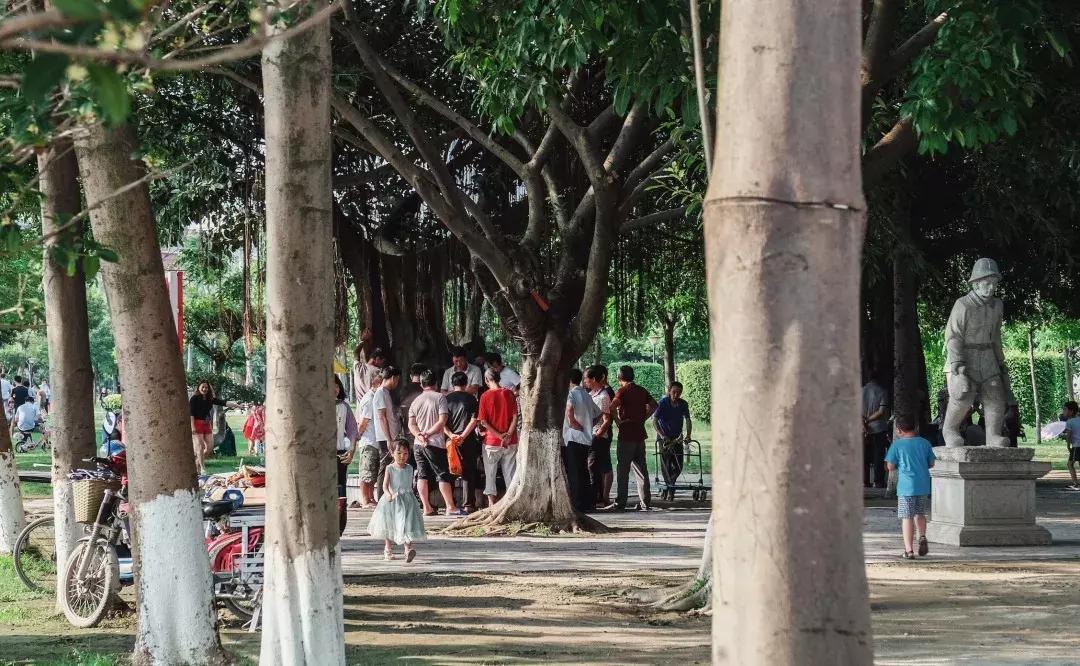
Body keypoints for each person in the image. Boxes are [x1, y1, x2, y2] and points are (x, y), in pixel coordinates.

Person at [409, 369, 464, 517]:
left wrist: (419, 435)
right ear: (436, 383)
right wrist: (428, 433)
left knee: (422, 475)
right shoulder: (440, 398)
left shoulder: (416, 400)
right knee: (442, 475)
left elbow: (411, 424)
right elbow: (442, 421)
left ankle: (427, 507)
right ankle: (450, 506)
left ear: (421, 384)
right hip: (434, 443)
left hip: (418, 444)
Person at [605, 366, 658, 511]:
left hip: (626, 434)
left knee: (623, 470)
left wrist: (618, 421)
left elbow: (612, 406)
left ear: (619, 377)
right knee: (642, 470)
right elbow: (654, 405)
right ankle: (645, 502)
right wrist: (643, 418)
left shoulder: (622, 391)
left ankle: (620, 502)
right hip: (640, 434)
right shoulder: (642, 390)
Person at [885, 415, 936, 559]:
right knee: (920, 513)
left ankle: (909, 550)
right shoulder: (925, 443)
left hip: (906, 487)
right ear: (916, 427)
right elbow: (932, 463)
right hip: (923, 485)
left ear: (899, 430)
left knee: (907, 517)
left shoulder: (897, 445)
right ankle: (922, 536)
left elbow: (890, 466)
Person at [367, 440, 426, 562]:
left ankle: (408, 550)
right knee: (389, 525)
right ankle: (388, 550)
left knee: (407, 523)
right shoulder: (390, 468)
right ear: (392, 453)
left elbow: (409, 485)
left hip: (407, 500)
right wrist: (389, 494)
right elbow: (384, 485)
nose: (402, 456)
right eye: (399, 453)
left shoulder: (409, 468)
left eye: (405, 453)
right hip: (393, 500)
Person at [477, 367, 518, 507]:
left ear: (486, 380)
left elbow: (483, 421)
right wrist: (508, 435)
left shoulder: (485, 396)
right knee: (510, 473)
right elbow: (515, 417)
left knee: (490, 473)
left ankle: (491, 504)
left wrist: (499, 436)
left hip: (491, 442)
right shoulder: (510, 394)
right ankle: (511, 502)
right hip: (511, 441)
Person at [444, 371, 482, 512]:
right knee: (468, 471)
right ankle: (468, 505)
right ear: (466, 384)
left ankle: (451, 504)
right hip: (468, 440)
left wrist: (451, 435)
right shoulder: (472, 399)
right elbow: (474, 420)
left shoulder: (446, 399)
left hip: (450, 440)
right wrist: (463, 436)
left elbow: (442, 421)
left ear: (452, 384)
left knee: (451, 469)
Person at [563, 368, 600, 513]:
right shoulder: (586, 394)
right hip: (585, 438)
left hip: (573, 437)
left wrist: (573, 422)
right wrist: (588, 423)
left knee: (574, 472)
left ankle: (576, 504)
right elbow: (599, 412)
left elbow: (569, 408)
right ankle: (586, 503)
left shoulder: (571, 393)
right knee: (583, 471)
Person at [189, 381, 239, 475]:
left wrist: (237, 405)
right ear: (199, 388)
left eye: (206, 387)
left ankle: (196, 464)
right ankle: (202, 468)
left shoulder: (210, 399)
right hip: (196, 424)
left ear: (208, 389)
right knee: (200, 447)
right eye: (202, 387)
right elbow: (191, 414)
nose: (204, 389)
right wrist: (192, 427)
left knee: (209, 448)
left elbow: (223, 402)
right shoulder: (194, 399)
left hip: (207, 425)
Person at [653, 382, 693, 491]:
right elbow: (655, 421)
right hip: (664, 438)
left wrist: (688, 435)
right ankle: (670, 488)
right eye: (674, 392)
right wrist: (662, 435)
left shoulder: (683, 404)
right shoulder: (662, 403)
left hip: (677, 438)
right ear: (669, 391)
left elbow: (688, 420)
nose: (676, 395)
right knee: (666, 464)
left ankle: (671, 484)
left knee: (679, 465)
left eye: (679, 393)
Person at [585, 365, 615, 507]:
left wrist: (598, 434)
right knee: (592, 467)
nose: (585, 382)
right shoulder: (591, 395)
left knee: (593, 467)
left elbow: (607, 419)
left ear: (594, 379)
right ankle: (595, 496)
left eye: (587, 379)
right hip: (589, 435)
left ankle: (597, 497)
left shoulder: (603, 396)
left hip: (597, 437)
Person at [334, 376, 360, 535]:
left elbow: (352, 431)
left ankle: (338, 531)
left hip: (340, 454)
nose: (334, 389)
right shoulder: (316, 406)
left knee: (340, 495)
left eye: (336, 386)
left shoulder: (344, 407)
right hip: (319, 458)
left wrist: (351, 450)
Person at [372, 366, 402, 500]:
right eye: (397, 380)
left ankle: (388, 496)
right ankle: (381, 498)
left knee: (390, 467)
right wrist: (389, 438)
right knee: (385, 468)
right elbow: (381, 417)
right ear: (393, 378)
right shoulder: (380, 393)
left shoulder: (386, 393)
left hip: (391, 435)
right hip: (385, 437)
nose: (397, 383)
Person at [354, 374, 383, 507]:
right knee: (366, 472)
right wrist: (357, 436)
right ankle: (365, 499)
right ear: (377, 385)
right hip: (368, 441)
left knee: (372, 472)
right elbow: (363, 422)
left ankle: (371, 497)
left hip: (375, 440)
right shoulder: (369, 399)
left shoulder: (375, 398)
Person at [862, 377, 890, 488]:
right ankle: (878, 481)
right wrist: (869, 419)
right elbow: (881, 411)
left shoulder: (860, 391)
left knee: (863, 455)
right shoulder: (882, 391)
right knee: (878, 455)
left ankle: (864, 481)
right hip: (879, 427)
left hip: (862, 428)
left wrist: (864, 423)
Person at [352, 338, 387, 404]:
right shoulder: (379, 372)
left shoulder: (357, 367)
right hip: (372, 410)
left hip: (359, 410)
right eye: (382, 361)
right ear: (377, 359)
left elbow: (356, 353)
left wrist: (363, 340)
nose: (382, 364)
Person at [1061, 401, 1080, 491]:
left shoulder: (1069, 422)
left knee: (1070, 464)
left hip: (1076, 446)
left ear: (1071, 411)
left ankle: (1076, 484)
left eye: (1065, 409)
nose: (1063, 412)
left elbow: (1069, 436)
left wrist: (1068, 446)